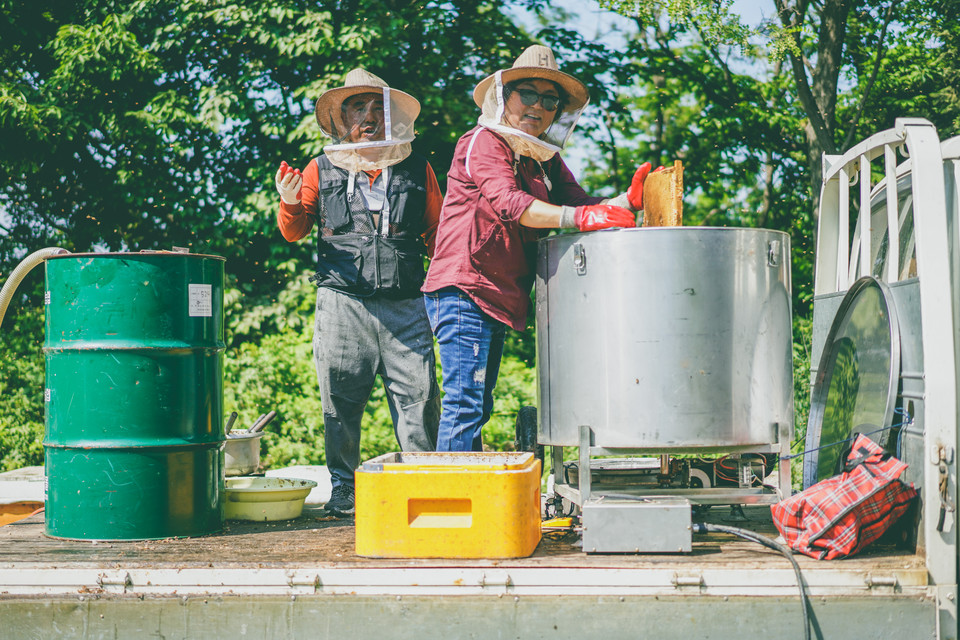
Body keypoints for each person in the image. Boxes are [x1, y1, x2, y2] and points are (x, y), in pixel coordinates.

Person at [422, 45, 657, 452]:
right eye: (528, 94)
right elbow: (513, 204)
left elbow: (580, 203)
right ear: (504, 97)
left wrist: (625, 202)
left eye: (550, 100)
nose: (539, 106)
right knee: (464, 403)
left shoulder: (541, 157)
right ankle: (450, 509)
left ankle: (467, 501)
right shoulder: (484, 141)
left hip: (500, 293)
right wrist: (580, 219)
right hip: (464, 289)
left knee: (479, 403)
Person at [275, 69, 442, 516]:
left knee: (419, 396)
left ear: (393, 116)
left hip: (407, 302)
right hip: (342, 300)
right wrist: (288, 200)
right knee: (341, 398)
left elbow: (437, 232)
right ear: (340, 117)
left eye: (377, 107)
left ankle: (423, 482)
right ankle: (344, 488)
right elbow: (294, 231)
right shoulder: (319, 166)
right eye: (357, 106)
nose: (368, 115)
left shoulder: (416, 165)